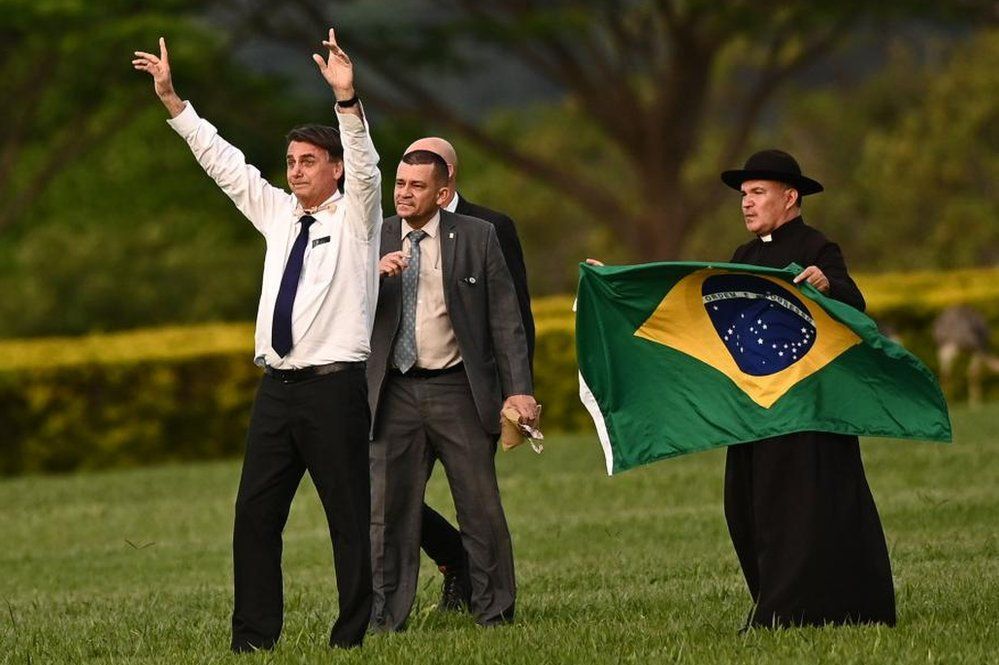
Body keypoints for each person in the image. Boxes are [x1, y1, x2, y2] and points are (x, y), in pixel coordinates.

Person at [133, 28, 381, 651]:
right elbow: (223, 163)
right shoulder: (276, 212)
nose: (295, 171)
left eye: (307, 162)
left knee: (347, 518)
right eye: (291, 162)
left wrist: (347, 102)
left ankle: (351, 635)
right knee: (254, 515)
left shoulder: (358, 216)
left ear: (335, 170)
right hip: (277, 390)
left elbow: (368, 163)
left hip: (334, 389)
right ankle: (253, 639)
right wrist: (172, 100)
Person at [719, 149, 896, 629]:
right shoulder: (743, 257)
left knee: (803, 507)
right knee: (745, 505)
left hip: (810, 408)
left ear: (790, 197)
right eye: (744, 195)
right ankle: (773, 600)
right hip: (756, 407)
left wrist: (828, 285)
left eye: (758, 193)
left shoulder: (819, 248)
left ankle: (791, 612)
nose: (747, 203)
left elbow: (853, 303)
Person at [367, 149, 537, 631]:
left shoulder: (479, 237)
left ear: (443, 194)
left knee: (480, 506)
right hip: (392, 392)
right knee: (387, 511)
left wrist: (519, 391)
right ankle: (384, 618)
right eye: (399, 183)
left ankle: (496, 612)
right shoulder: (371, 237)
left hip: (458, 389)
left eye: (416, 186)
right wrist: (370, 274)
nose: (403, 192)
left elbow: (506, 322)